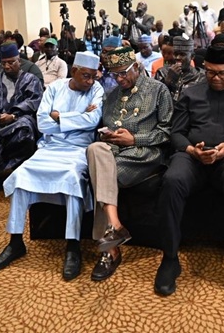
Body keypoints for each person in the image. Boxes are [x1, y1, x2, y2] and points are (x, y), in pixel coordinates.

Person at [155, 45, 224, 304]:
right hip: (193, 156)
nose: (217, 79)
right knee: (172, 180)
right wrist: (192, 150)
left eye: (223, 74)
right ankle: (170, 259)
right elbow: (176, 133)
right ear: (205, 69)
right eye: (211, 73)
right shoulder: (190, 94)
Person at [0, 52, 104, 281]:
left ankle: (73, 247)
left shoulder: (96, 89)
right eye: (86, 76)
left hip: (78, 149)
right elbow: (42, 123)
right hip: (50, 148)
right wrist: (76, 118)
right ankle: (15, 241)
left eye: (93, 76)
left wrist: (59, 117)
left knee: (72, 178)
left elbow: (93, 121)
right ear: (74, 72)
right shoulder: (55, 88)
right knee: (22, 176)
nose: (90, 81)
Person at [85, 47, 172, 281]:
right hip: (113, 152)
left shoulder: (158, 90)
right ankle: (114, 232)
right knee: (95, 148)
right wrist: (109, 136)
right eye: (114, 75)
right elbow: (105, 126)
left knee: (99, 171)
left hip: (143, 154)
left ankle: (110, 246)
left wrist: (134, 138)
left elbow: (167, 132)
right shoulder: (112, 94)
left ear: (137, 66)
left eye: (123, 73)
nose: (119, 79)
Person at [0, 46, 44, 173]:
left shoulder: (31, 79)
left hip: (20, 119)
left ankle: (15, 167)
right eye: (3, 63)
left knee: (24, 127)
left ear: (19, 61)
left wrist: (13, 115)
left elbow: (34, 101)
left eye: (11, 62)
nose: (6, 66)